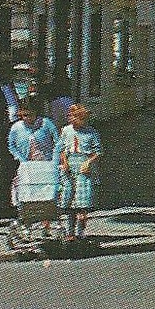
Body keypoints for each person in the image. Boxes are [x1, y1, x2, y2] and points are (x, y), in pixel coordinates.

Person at [7, 100, 60, 235]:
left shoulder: (46, 124)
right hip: (27, 165)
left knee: (45, 193)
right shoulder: (16, 127)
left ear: (35, 113)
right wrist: (20, 158)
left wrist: (55, 159)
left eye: (29, 115)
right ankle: (27, 224)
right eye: (23, 115)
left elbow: (57, 142)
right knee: (27, 193)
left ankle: (46, 226)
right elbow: (11, 145)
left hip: (46, 164)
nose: (26, 118)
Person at [56, 103, 101, 241]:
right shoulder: (66, 131)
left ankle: (80, 232)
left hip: (83, 166)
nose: (74, 120)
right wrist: (64, 162)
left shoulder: (92, 132)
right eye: (72, 117)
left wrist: (88, 162)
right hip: (69, 165)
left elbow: (98, 151)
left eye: (78, 118)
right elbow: (62, 148)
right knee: (69, 202)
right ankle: (70, 233)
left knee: (82, 202)